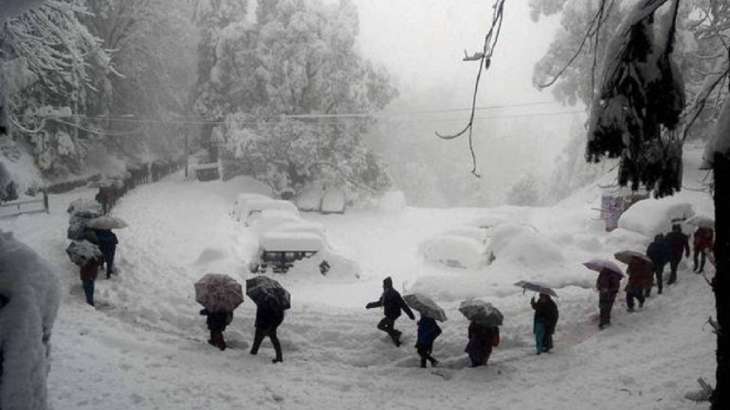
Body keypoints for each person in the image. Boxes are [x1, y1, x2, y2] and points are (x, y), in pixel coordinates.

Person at [365, 277, 415, 347]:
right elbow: (381, 303)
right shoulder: (385, 293)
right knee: (390, 329)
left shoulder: (394, 293)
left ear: (387, 285)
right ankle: (397, 343)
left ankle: (397, 333)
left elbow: (403, 304)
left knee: (380, 326)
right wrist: (370, 305)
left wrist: (410, 314)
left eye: (384, 284)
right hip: (390, 314)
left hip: (393, 315)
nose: (383, 286)